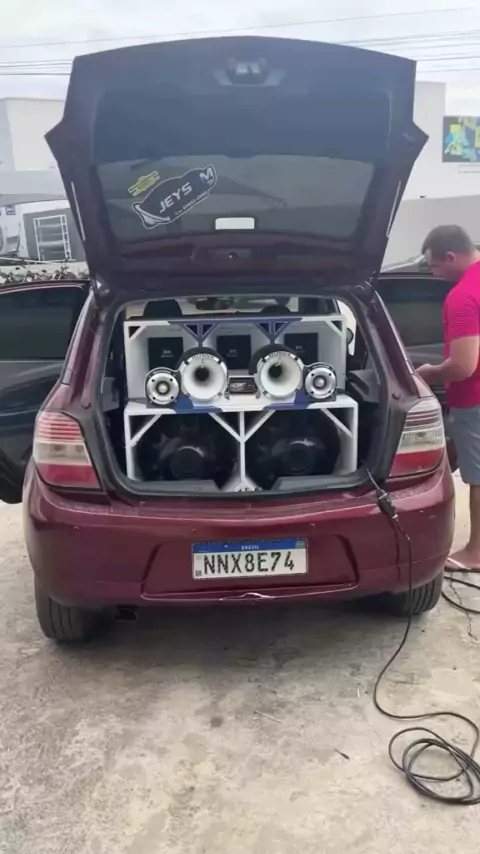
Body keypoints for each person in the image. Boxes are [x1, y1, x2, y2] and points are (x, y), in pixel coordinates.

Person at [417, 225, 480, 571]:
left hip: (475, 400)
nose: (434, 274)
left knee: (478, 477)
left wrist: (429, 373)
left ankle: (476, 552)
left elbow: (463, 366)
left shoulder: (463, 296)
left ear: (451, 256)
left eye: (434, 265)